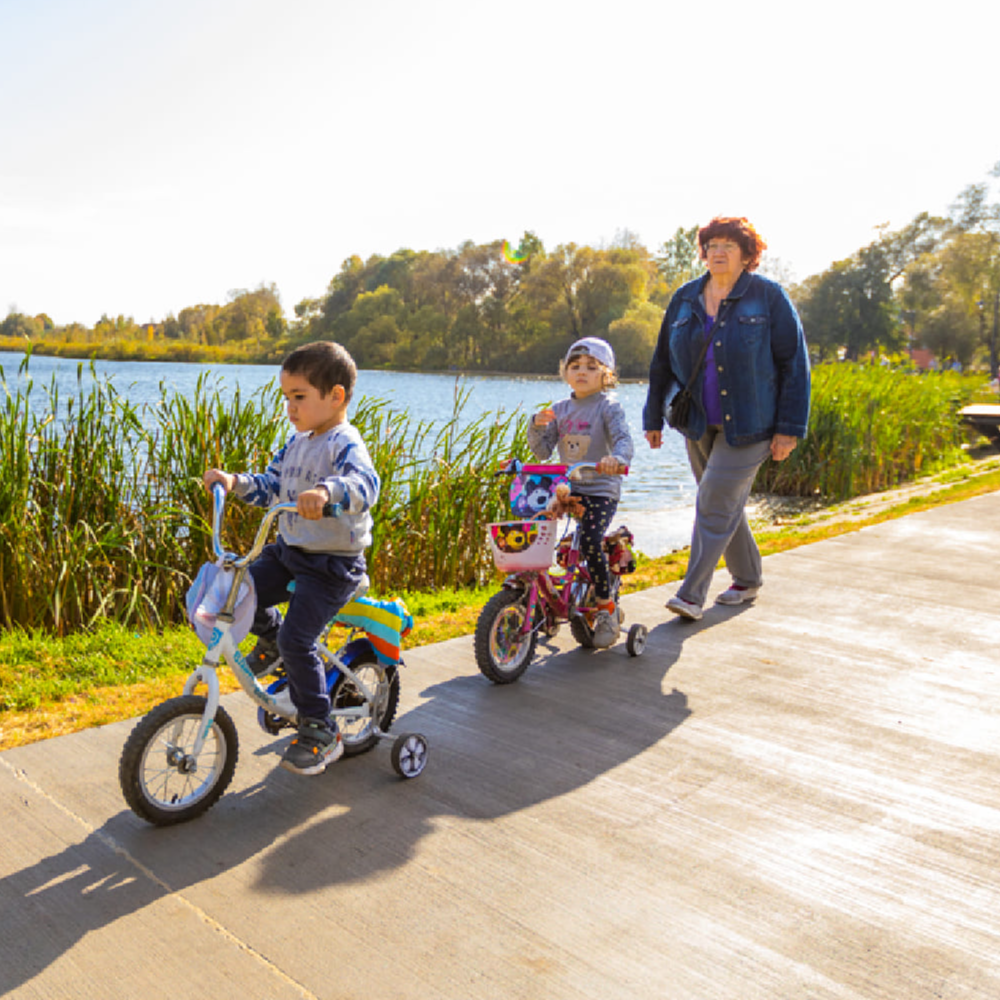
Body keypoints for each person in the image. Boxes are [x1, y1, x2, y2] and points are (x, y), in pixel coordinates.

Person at [203, 341, 380, 775]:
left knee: (297, 640)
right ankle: (271, 640)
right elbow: (270, 485)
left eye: (299, 396)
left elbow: (365, 484)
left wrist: (326, 493)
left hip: (331, 565)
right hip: (290, 551)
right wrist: (235, 481)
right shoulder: (298, 442)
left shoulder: (344, 442)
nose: (290, 407)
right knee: (238, 592)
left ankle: (321, 728)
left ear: (335, 396)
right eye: (286, 397)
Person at [643, 217, 810, 621]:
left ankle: (690, 594)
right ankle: (748, 578)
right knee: (723, 503)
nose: (718, 252)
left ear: (747, 254)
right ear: (703, 252)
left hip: (752, 423)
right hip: (697, 423)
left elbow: (794, 363)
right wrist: (652, 415)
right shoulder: (684, 298)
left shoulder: (767, 297)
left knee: (714, 500)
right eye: (712, 244)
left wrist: (789, 429)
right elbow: (663, 361)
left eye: (729, 246)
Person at [528, 337, 635, 648]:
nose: (582, 372)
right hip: (567, 487)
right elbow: (543, 452)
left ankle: (606, 608)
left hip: (601, 489)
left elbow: (624, 440)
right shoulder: (559, 409)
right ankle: (542, 596)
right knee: (537, 527)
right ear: (565, 372)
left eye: (592, 367)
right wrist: (536, 425)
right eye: (575, 366)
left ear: (607, 375)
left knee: (589, 539)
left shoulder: (608, 406)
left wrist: (618, 459)